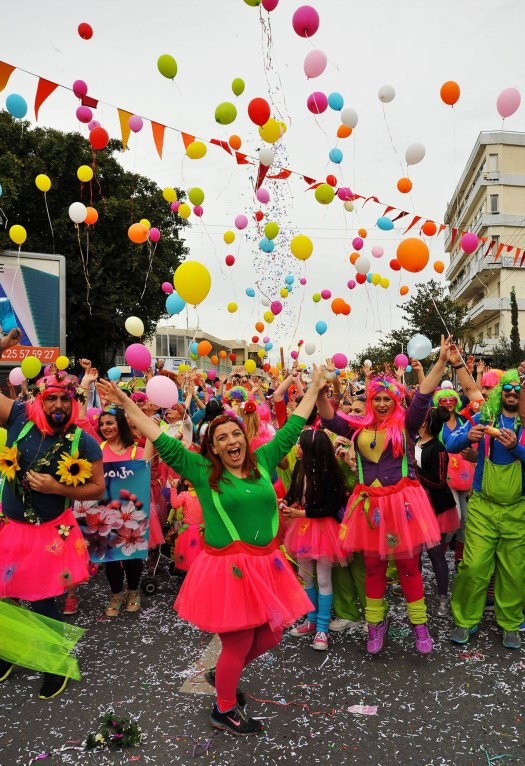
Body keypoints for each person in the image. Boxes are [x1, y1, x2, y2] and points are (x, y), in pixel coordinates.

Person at [97, 367, 326, 736]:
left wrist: (314, 388)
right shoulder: (202, 469)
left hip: (267, 563)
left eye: (236, 434)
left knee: (270, 636)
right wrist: (126, 404)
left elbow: (292, 427)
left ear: (245, 439)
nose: (232, 441)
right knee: (237, 643)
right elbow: (160, 437)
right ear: (213, 447)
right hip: (229, 571)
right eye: (223, 437)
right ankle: (224, 709)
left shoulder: (263, 461)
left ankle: (222, 676)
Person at [316, 336, 451, 656]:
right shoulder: (358, 429)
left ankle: (420, 626)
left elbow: (423, 396)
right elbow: (330, 419)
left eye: (386, 399)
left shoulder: (407, 424)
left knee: (407, 568)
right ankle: (376, 625)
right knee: (374, 569)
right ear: (371, 400)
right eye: (376, 398)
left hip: (403, 506)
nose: (380, 404)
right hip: (368, 509)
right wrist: (320, 394)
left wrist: (442, 362)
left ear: (394, 402)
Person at [0, 329, 104, 699]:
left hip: (49, 531)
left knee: (42, 600)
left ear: (73, 402)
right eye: (52, 398)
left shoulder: (83, 440)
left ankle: (54, 664)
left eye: (65, 398)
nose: (58, 405)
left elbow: (97, 489)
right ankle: (10, 651)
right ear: (40, 400)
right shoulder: (17, 417)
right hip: (12, 528)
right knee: (5, 593)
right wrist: (1, 349)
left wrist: (56, 488)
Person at [445, 369, 525, 650]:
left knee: (514, 571)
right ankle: (466, 619)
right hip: (482, 507)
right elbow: (451, 443)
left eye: (517, 388)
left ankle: (511, 622)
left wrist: (517, 448)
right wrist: (470, 436)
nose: (512, 392)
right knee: (474, 566)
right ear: (500, 391)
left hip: (518, 509)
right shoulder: (486, 416)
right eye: (507, 387)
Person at [283, 428, 348, 651]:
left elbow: (330, 508)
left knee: (323, 579)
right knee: (305, 577)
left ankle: (322, 628)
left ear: (310, 448)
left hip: (323, 530)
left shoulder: (328, 472)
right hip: (301, 530)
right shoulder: (300, 467)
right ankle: (311, 620)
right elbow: (292, 493)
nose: (296, 449)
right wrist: (284, 501)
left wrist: (300, 513)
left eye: (300, 445)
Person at [415, 407, 460, 617]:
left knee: (436, 555)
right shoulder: (413, 442)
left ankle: (443, 598)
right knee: (413, 554)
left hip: (434, 509)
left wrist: (415, 470)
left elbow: (440, 482)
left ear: (425, 423)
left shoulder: (438, 448)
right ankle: (415, 595)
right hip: (412, 508)